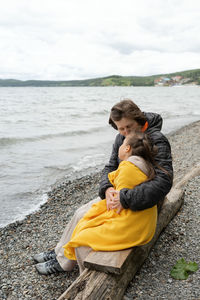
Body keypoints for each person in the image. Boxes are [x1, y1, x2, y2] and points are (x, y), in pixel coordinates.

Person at [34, 99, 173, 275]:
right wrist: (107, 189)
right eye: (120, 129)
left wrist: (125, 198)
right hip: (119, 192)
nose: (125, 132)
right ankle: (60, 253)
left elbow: (164, 180)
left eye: (128, 127)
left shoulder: (156, 139)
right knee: (80, 213)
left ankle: (64, 262)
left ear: (139, 119)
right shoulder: (121, 138)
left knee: (86, 215)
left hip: (143, 201)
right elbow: (110, 167)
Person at [62, 131, 159, 273]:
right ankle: (67, 260)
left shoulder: (128, 168)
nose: (119, 146)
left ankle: (84, 278)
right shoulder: (142, 164)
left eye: (123, 143)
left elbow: (117, 206)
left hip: (134, 226)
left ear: (127, 148)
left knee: (83, 235)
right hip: (143, 220)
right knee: (85, 219)